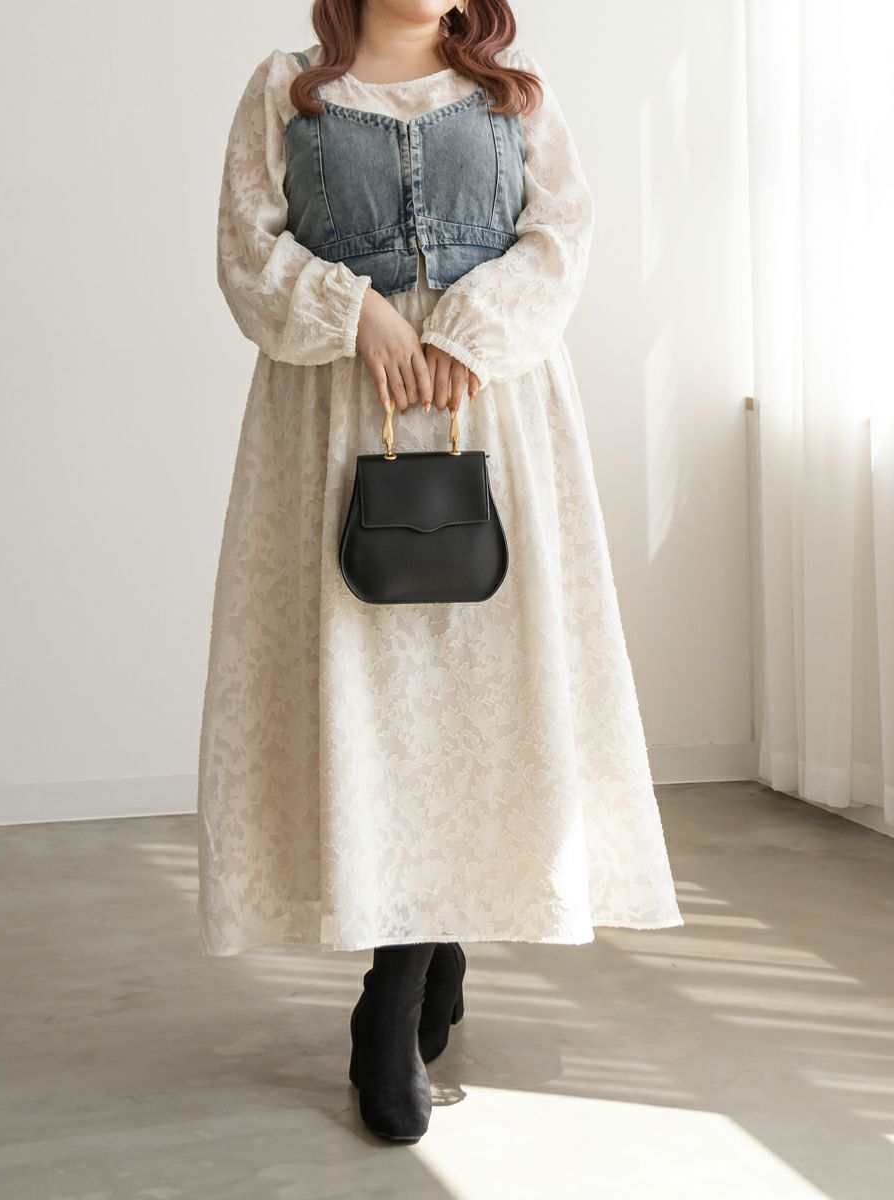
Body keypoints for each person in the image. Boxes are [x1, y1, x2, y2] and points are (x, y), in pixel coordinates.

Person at [197, 0, 683, 1144]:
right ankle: (423, 946)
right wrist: (355, 310)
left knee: (467, 712)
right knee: (375, 713)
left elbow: (559, 237)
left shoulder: (516, 91)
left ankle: (395, 989)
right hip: (335, 428)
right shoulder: (286, 90)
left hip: (491, 422)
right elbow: (246, 252)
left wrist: (471, 325)